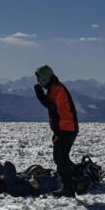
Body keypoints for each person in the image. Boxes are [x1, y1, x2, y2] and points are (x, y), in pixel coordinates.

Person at [34, 64, 78, 197]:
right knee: (61, 158)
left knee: (60, 158)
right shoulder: (54, 87)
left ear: (47, 78)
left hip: (66, 128)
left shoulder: (56, 88)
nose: (39, 82)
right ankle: (77, 178)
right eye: (38, 80)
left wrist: (38, 92)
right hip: (64, 128)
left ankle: (69, 187)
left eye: (41, 79)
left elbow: (49, 104)